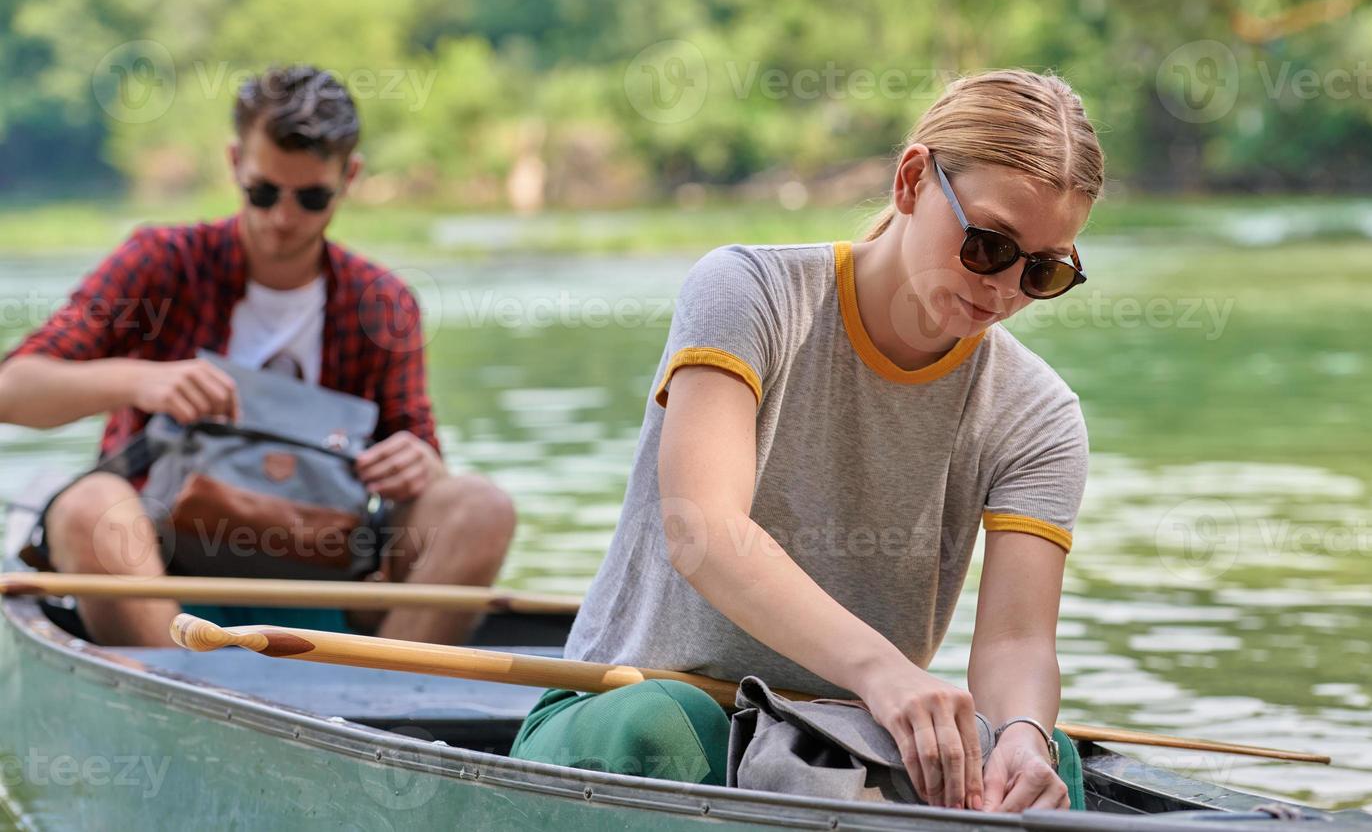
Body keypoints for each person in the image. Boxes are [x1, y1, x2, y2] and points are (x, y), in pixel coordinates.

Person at [510, 70, 1101, 812]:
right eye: (987, 245)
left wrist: (1021, 733)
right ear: (913, 180)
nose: (1004, 290)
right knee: (670, 725)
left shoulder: (1039, 414)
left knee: (1050, 769)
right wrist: (883, 672)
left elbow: (1016, 646)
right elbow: (706, 535)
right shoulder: (747, 292)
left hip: (835, 742)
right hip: (637, 712)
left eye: (1043, 270)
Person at [0, 65, 516, 647]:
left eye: (312, 198)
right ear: (234, 163)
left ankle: (379, 706)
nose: (283, 218)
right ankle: (178, 694)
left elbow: (427, 470)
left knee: (481, 506)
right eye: (263, 191)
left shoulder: (383, 304)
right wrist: (141, 380)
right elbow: (13, 389)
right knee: (87, 503)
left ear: (349, 177)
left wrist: (419, 464)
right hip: (158, 564)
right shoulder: (163, 261)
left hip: (324, 561)